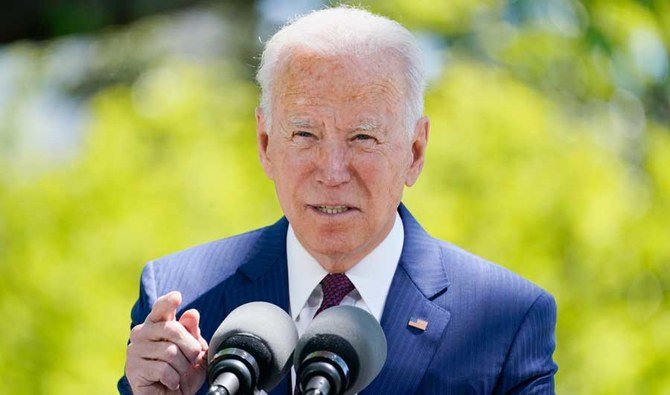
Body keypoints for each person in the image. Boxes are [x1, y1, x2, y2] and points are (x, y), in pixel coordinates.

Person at [119, 6, 557, 395]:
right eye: (305, 135)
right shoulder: (182, 299)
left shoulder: (507, 320)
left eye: (363, 137)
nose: (331, 172)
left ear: (415, 152)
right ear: (266, 142)